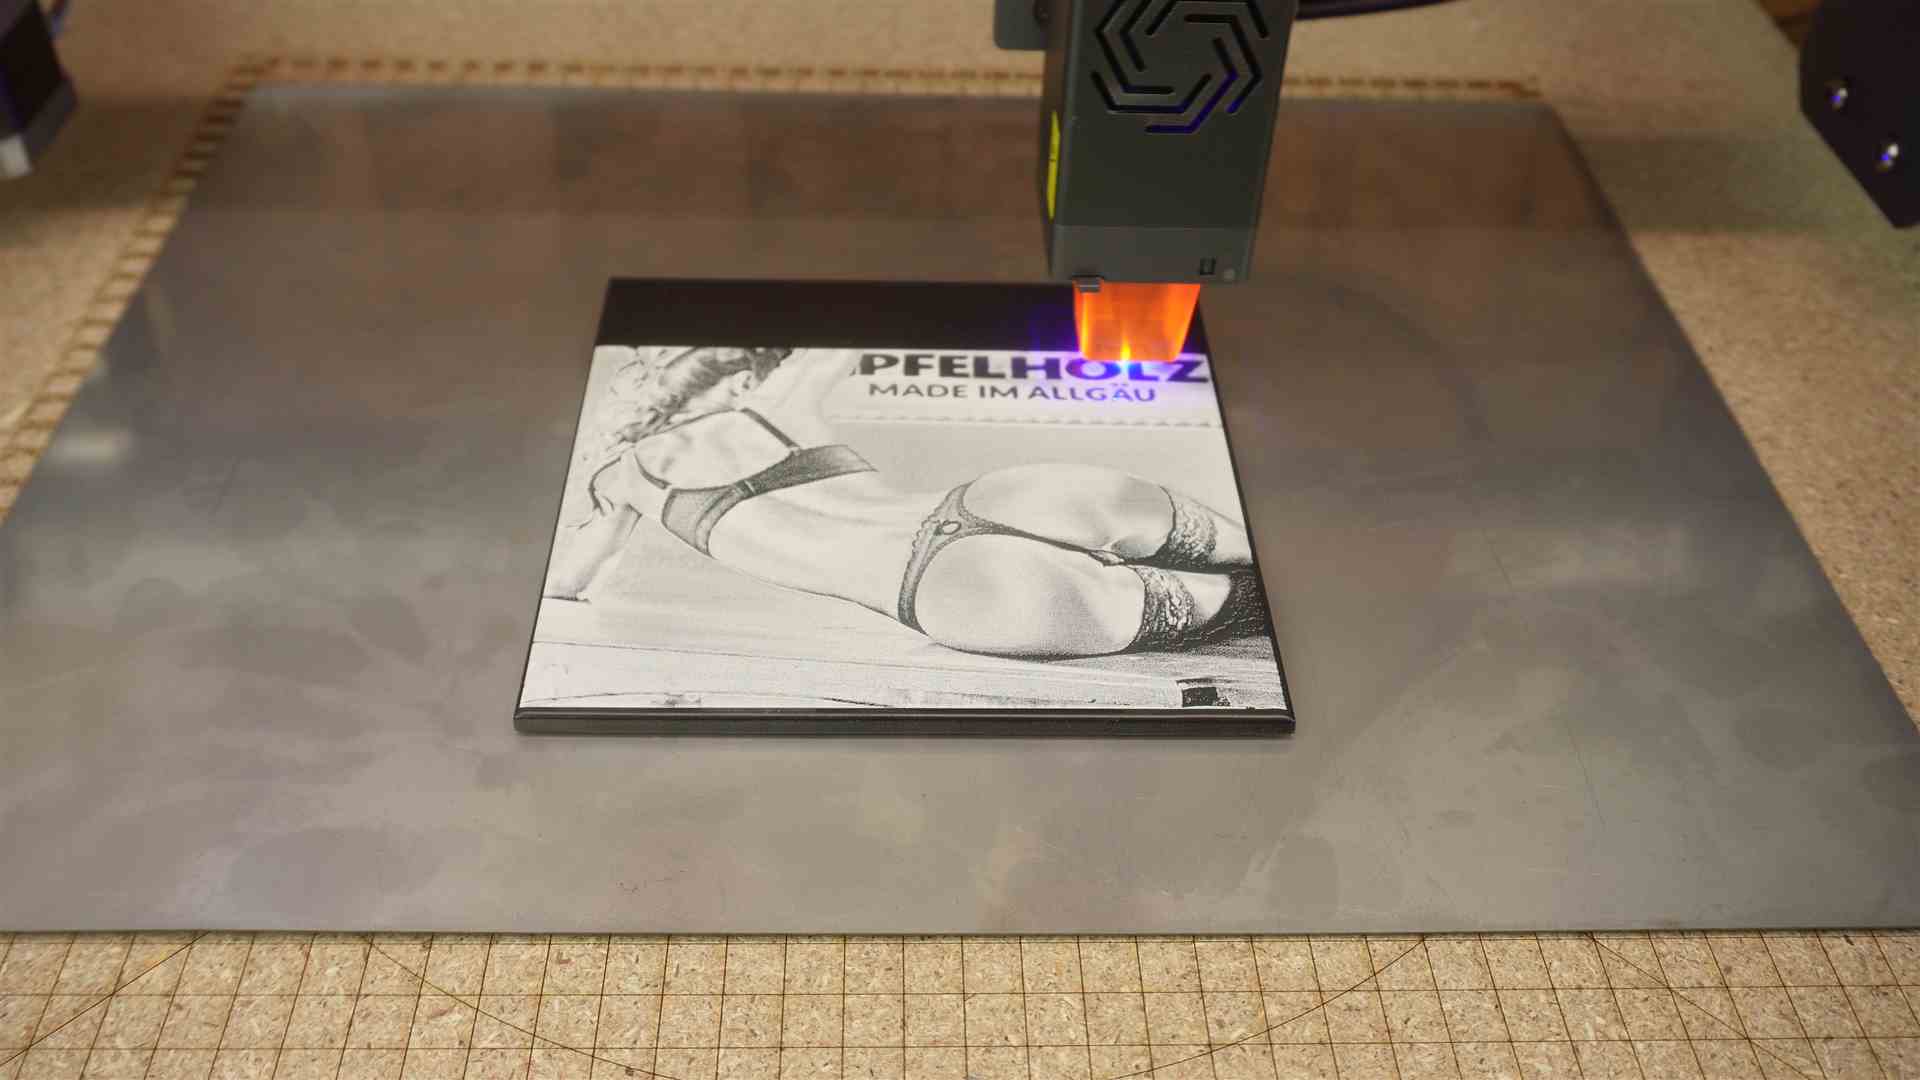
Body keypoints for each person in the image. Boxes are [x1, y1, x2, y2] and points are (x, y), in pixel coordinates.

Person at [544, 346, 1269, 659]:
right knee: (1273, 568)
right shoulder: (769, 405)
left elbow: (570, 582)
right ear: (737, 381)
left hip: (947, 588)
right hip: (991, 499)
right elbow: (837, 331)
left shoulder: (624, 478)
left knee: (1252, 611)